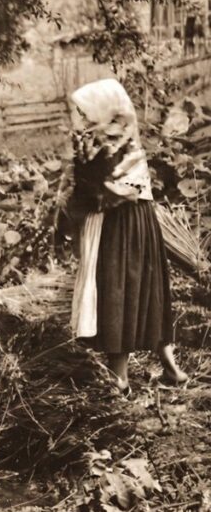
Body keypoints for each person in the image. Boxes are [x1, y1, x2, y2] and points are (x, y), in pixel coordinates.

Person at [66, 78, 188, 394]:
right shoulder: (126, 136)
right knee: (146, 289)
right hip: (141, 220)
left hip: (118, 223)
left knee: (116, 289)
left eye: (85, 111)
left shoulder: (106, 142)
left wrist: (81, 195)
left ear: (103, 110)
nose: (81, 117)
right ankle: (171, 368)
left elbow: (100, 191)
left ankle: (119, 379)